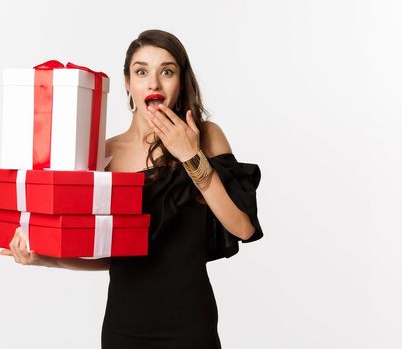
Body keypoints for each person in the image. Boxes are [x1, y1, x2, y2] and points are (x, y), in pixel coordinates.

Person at [0, 29, 264, 348]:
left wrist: (190, 156)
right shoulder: (103, 153)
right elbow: (111, 255)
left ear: (181, 81)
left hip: (191, 327)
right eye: (141, 72)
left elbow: (243, 227)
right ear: (127, 83)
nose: (153, 83)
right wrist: (43, 258)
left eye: (166, 71)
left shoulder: (205, 136)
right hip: (124, 329)